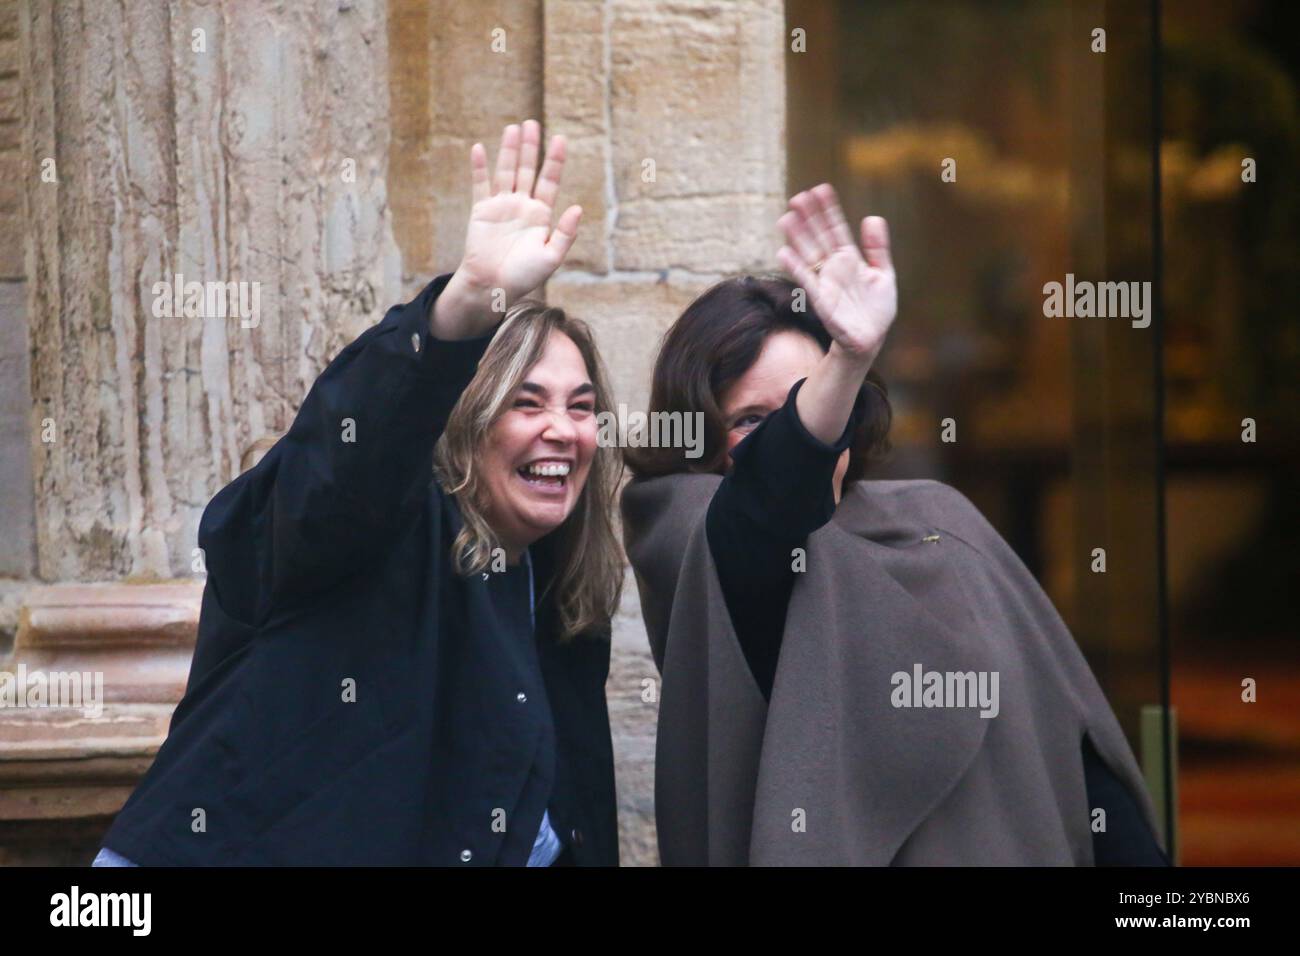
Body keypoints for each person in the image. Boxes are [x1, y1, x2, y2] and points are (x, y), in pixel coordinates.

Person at [93, 120, 622, 866]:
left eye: (580, 406)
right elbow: (347, 460)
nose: (563, 430)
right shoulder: (386, 523)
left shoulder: (560, 586)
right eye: (527, 403)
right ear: (465, 422)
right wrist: (462, 308)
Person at [621, 183, 1170, 866]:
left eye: (814, 399)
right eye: (751, 421)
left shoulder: (936, 521)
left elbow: (1073, 751)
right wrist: (845, 361)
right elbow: (764, 508)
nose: (798, 426)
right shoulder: (696, 531)